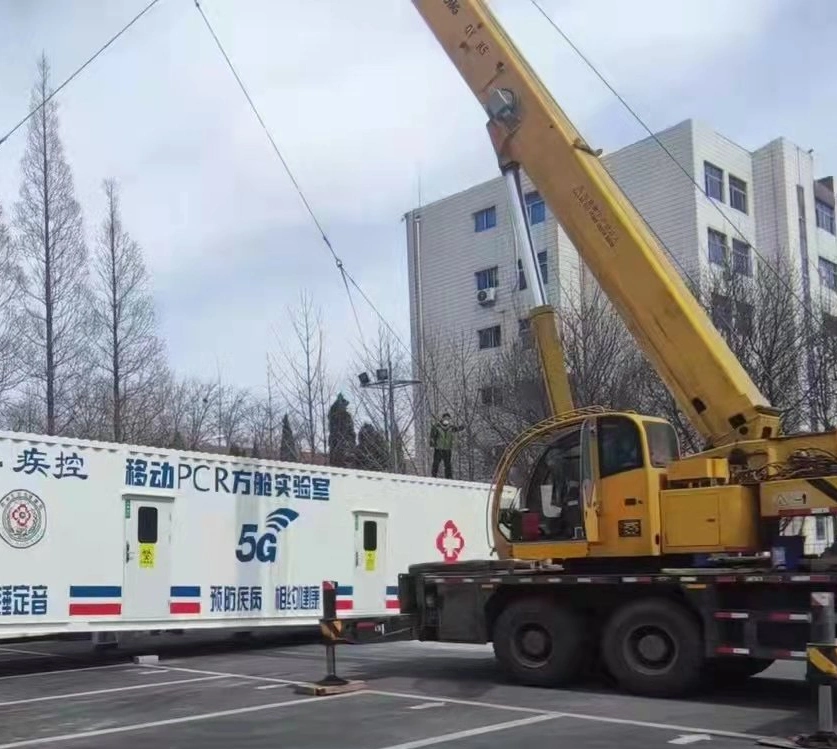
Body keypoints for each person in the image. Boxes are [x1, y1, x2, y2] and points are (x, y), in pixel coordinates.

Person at [429, 412, 463, 479]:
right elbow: (432, 435)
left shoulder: (451, 427)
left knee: (448, 465)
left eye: (448, 419)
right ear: (442, 419)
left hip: (447, 449)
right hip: (438, 448)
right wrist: (432, 443)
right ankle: (433, 476)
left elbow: (456, 429)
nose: (446, 420)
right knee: (436, 463)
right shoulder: (437, 426)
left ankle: (449, 478)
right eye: (445, 418)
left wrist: (461, 427)